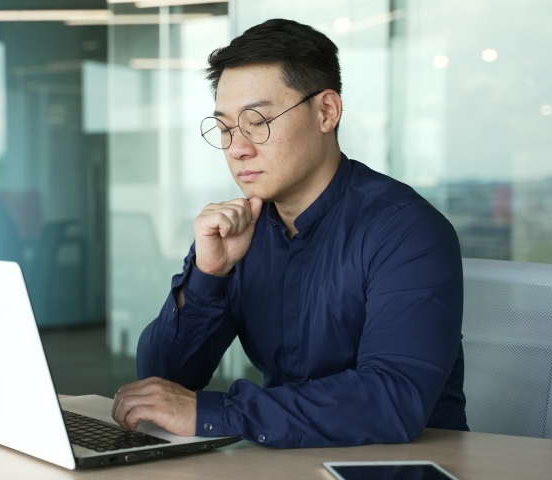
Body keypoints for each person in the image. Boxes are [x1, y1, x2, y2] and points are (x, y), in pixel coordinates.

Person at [111, 18, 468, 448]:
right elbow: (163, 384)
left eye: (257, 121)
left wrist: (214, 412)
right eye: (225, 129)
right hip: (283, 459)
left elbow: (392, 400)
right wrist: (209, 276)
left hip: (408, 465)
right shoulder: (240, 230)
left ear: (326, 112)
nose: (237, 148)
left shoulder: (405, 230)